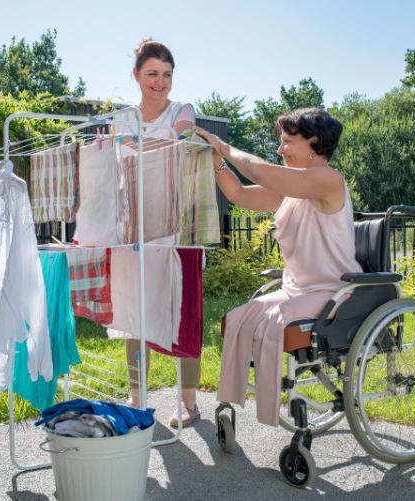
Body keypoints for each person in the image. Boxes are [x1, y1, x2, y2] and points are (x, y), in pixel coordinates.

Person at [194, 108, 362, 426]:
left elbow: (261, 173)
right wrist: (217, 159)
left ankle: (269, 412)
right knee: (238, 318)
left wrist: (226, 146)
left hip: (332, 291)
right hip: (295, 289)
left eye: (286, 142)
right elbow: (240, 194)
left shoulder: (328, 180)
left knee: (274, 322)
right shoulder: (292, 189)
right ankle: (230, 402)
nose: (279, 149)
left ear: (313, 142)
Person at [117, 39, 201, 428]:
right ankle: (138, 397)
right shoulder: (122, 119)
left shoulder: (180, 110)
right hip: (134, 231)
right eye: (152, 74)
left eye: (166, 75)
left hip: (176, 231)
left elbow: (183, 138)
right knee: (136, 318)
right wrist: (137, 143)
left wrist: (143, 144)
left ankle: (188, 403)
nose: (160, 82)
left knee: (181, 314)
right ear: (136, 75)